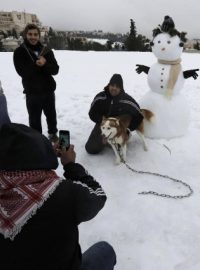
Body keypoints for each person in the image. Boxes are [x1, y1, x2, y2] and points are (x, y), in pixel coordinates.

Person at [0, 123, 116, 270]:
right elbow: (98, 196)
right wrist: (70, 165)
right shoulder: (63, 193)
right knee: (105, 251)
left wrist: (44, 153)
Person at [13, 24, 59, 142]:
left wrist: (45, 64)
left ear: (39, 36)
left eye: (35, 34)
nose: (33, 37)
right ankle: (37, 140)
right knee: (34, 120)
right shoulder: (19, 52)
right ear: (25, 35)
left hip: (48, 91)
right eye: (30, 34)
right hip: (32, 93)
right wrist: (35, 64)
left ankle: (53, 134)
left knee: (51, 116)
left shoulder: (46, 51)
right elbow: (22, 72)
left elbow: (55, 70)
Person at [85, 73, 144, 154]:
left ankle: (122, 137)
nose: (114, 88)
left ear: (121, 88)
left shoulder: (126, 100)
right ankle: (107, 140)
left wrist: (129, 129)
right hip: (104, 126)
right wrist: (102, 121)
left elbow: (139, 115)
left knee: (120, 148)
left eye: (117, 86)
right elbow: (92, 113)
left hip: (119, 127)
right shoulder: (101, 97)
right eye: (112, 85)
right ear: (109, 85)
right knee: (91, 148)